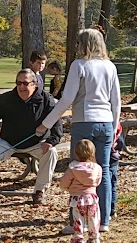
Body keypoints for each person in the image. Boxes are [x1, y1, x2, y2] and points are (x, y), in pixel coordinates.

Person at [40, 28, 122, 231]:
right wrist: (114, 127)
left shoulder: (79, 65)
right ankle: (103, 221)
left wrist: (45, 124)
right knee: (101, 171)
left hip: (84, 122)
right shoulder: (109, 66)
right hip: (105, 123)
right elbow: (116, 102)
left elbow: (67, 99)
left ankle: (77, 221)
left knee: (78, 170)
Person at [0, 67, 57, 206]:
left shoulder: (46, 99)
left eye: (25, 83)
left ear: (35, 84)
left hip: (36, 143)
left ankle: (39, 191)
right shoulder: (8, 98)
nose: (21, 86)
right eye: (18, 83)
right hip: (9, 143)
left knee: (51, 152)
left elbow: (56, 122)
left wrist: (51, 141)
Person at [55, 137, 106, 243]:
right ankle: (94, 238)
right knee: (93, 217)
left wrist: (66, 187)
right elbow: (98, 181)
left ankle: (79, 240)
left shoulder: (73, 168)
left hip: (77, 198)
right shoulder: (97, 168)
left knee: (78, 219)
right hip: (91, 197)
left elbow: (64, 182)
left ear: (76, 154)